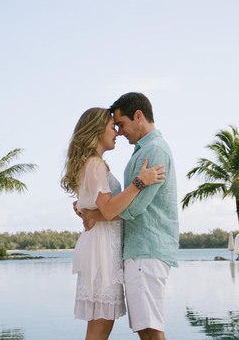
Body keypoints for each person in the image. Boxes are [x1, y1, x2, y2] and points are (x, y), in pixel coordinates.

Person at [61, 107, 166, 340]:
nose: (117, 133)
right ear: (98, 132)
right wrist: (140, 182)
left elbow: (96, 206)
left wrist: (87, 210)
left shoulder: (94, 164)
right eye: (112, 127)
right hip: (101, 251)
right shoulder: (95, 164)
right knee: (100, 328)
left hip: (103, 246)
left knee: (100, 327)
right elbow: (108, 209)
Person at [82, 93, 179, 340]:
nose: (120, 131)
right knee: (147, 328)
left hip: (145, 250)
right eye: (115, 127)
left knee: (149, 330)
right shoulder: (143, 150)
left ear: (138, 116)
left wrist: (95, 215)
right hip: (140, 251)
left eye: (121, 124)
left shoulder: (153, 151)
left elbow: (135, 207)